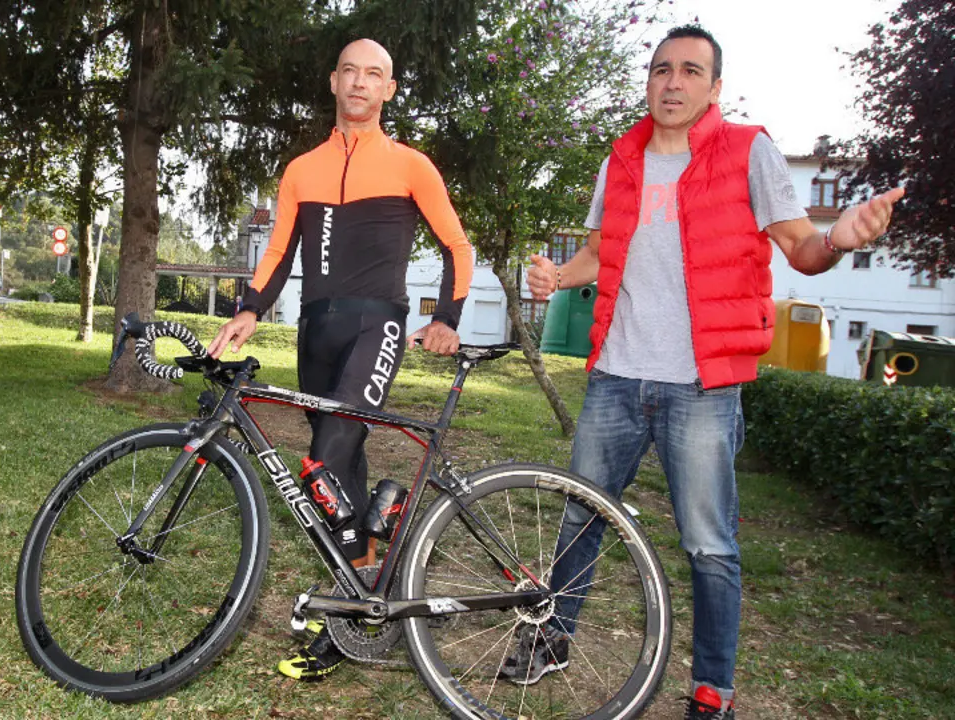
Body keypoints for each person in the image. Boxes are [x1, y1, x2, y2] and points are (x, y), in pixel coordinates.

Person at [508, 25, 904, 720]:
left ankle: (711, 686)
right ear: (649, 80)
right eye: (662, 69)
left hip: (703, 386)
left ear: (714, 87)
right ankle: (552, 638)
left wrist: (840, 238)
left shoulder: (749, 152)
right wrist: (554, 277)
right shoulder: (621, 159)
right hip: (616, 378)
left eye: (691, 70)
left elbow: (803, 251)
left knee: (709, 545)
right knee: (580, 518)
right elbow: (602, 255)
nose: (673, 81)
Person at [207, 38, 474, 681]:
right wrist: (248, 307)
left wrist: (446, 319)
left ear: (387, 90)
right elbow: (274, 254)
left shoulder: (412, 165)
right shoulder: (302, 168)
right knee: (334, 476)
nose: (359, 82)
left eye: (373, 75)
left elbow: (457, 247)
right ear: (333, 81)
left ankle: (379, 536)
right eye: (350, 71)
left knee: (322, 462)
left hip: (376, 326)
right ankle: (358, 607)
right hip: (316, 330)